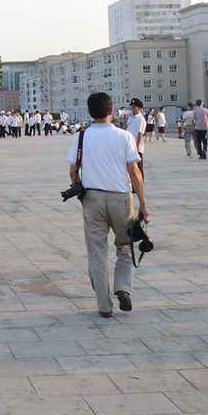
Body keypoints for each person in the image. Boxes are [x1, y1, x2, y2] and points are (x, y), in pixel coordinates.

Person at [66, 91, 149, 318]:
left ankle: (104, 305)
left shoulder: (82, 136)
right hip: (121, 198)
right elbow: (134, 171)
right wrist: (143, 203)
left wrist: (81, 194)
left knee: (97, 252)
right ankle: (123, 288)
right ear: (111, 111)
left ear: (90, 112)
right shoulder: (124, 136)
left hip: (92, 198)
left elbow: (73, 170)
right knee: (124, 245)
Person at [126, 99, 146, 178]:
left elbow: (140, 134)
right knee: (130, 167)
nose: (132, 109)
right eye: (132, 107)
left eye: (134, 107)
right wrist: (124, 121)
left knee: (138, 168)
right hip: (129, 145)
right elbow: (125, 129)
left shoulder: (140, 119)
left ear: (139, 108)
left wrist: (136, 148)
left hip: (137, 147)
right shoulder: (131, 118)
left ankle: (140, 185)